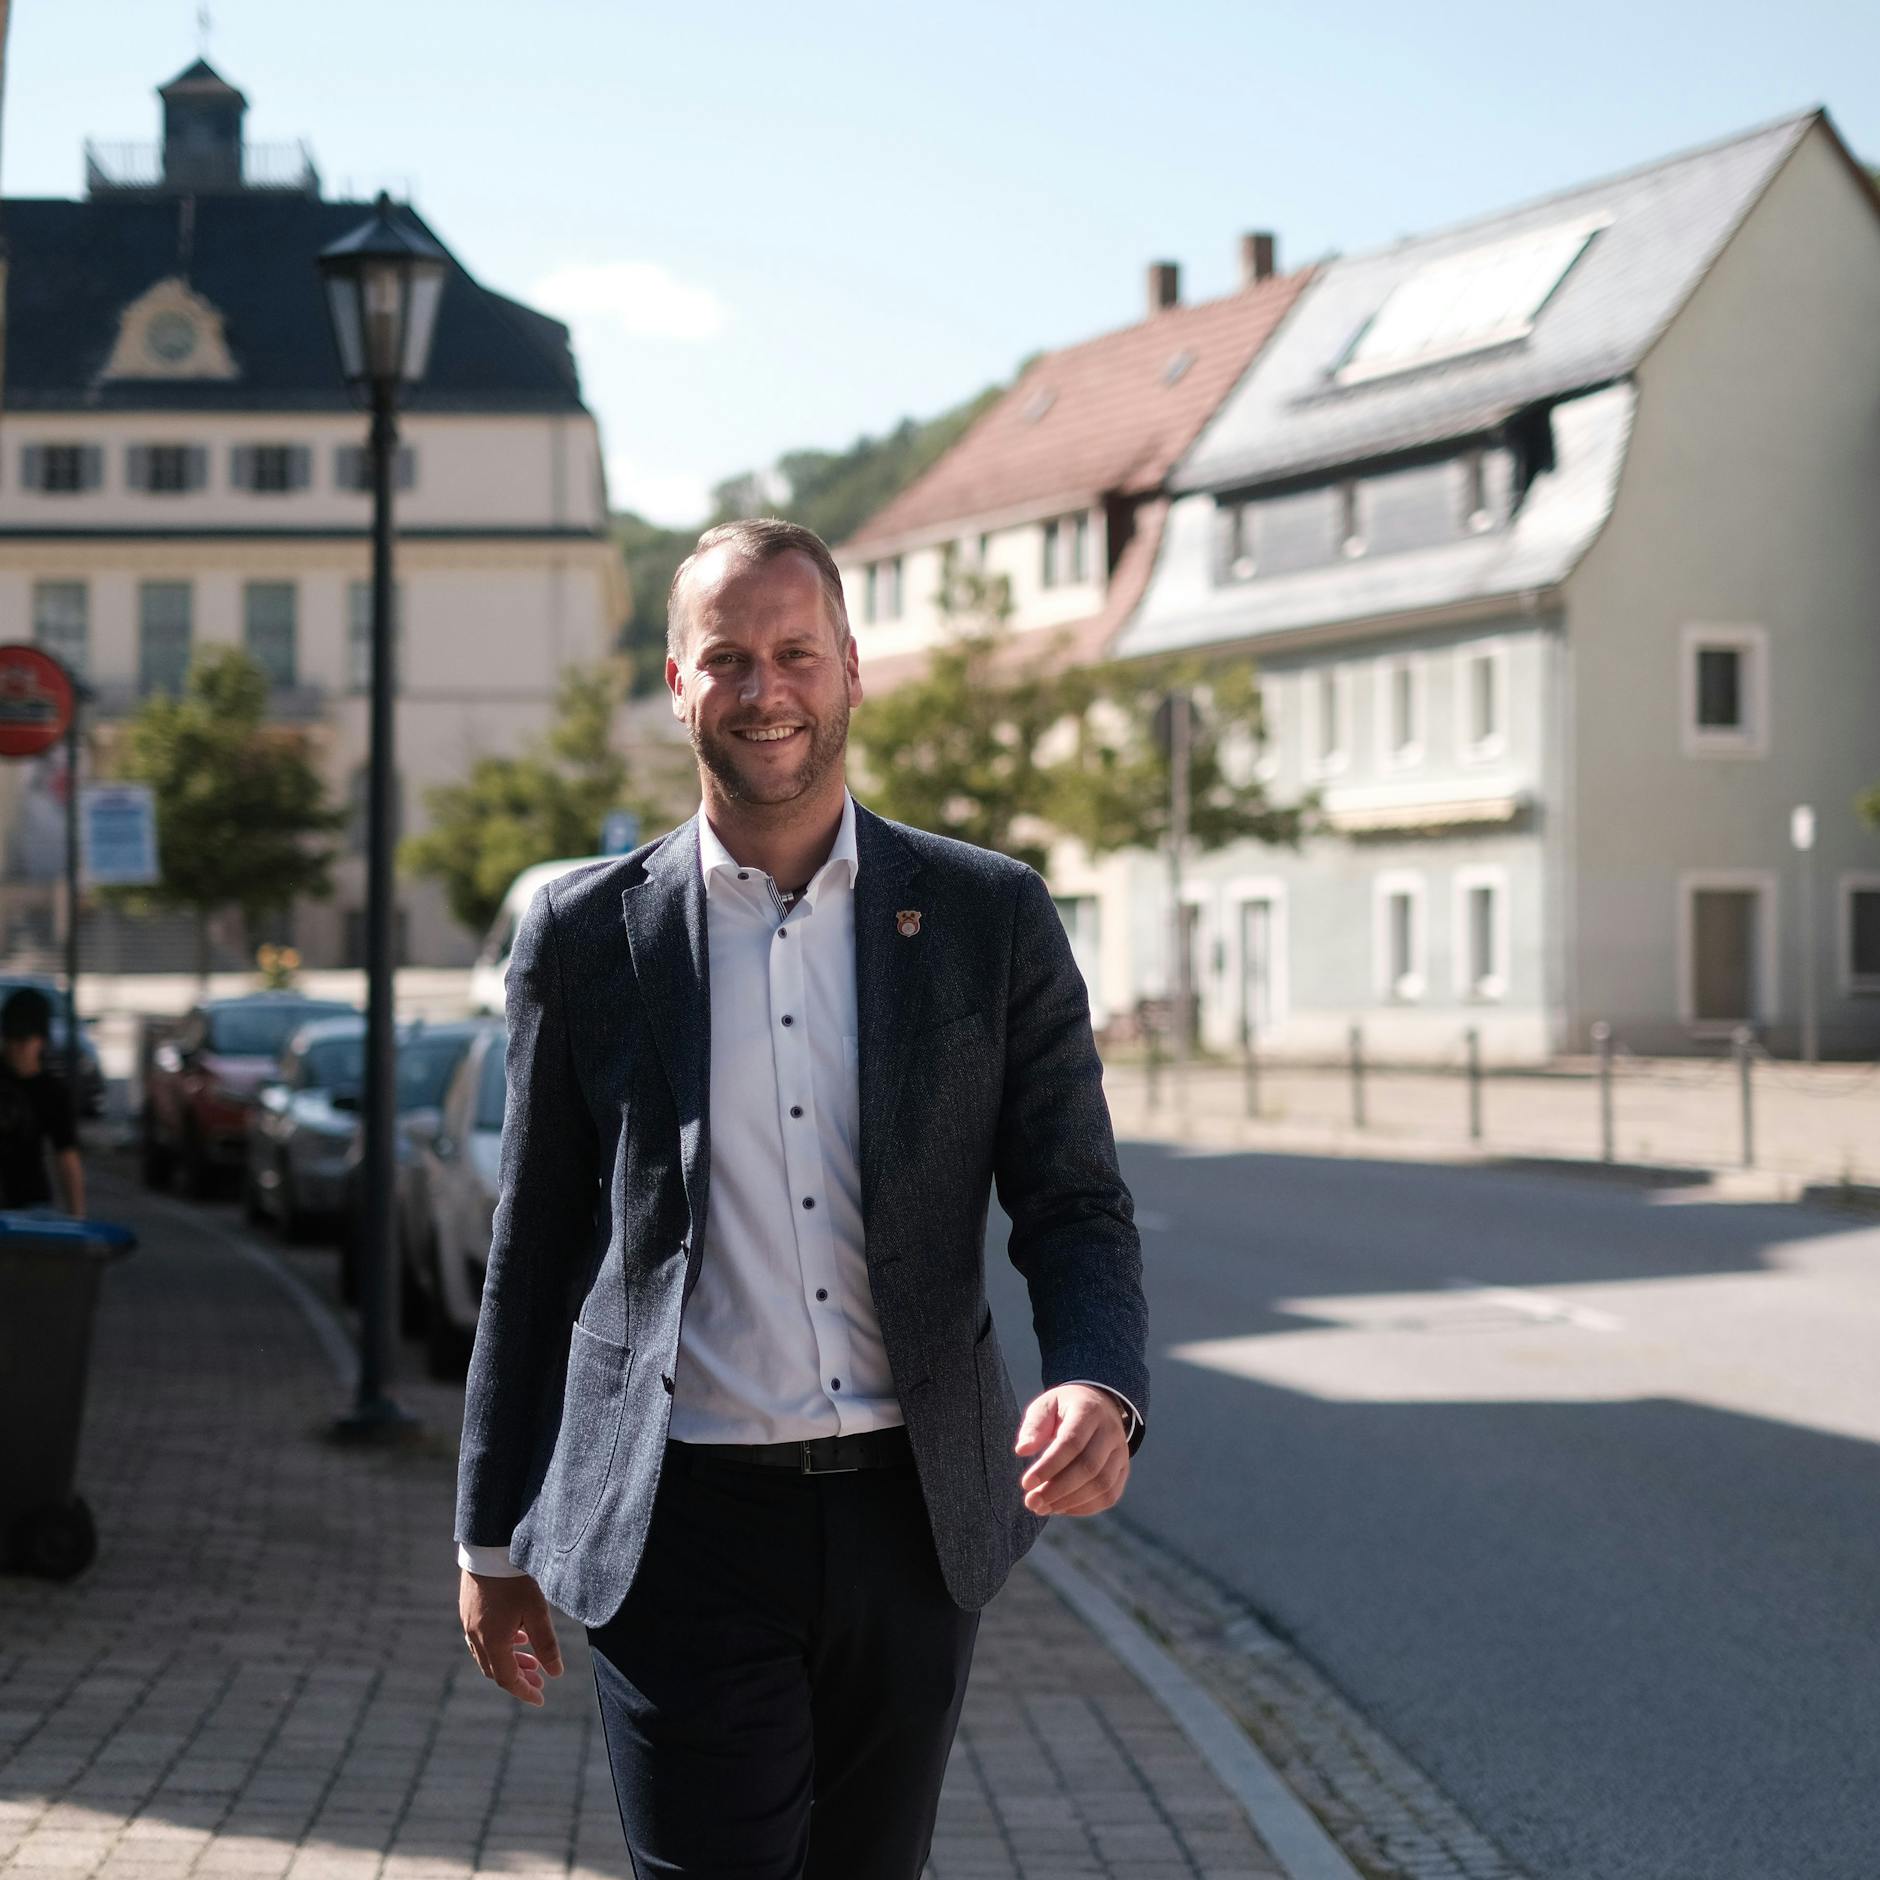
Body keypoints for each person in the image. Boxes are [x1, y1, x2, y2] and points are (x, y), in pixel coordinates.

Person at [455, 518, 1148, 1877]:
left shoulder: (986, 916)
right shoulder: (591, 936)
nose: (765, 689)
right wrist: (489, 1534)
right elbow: (535, 1248)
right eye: (729, 660)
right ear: (676, 682)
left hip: (914, 1517)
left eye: (794, 654)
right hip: (680, 1523)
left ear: (850, 670)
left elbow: (1073, 1201)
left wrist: (1100, 1382)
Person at [0, 986, 84, 1215]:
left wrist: (77, 1217)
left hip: (30, 1203)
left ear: (40, 1040)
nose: (14, 1048)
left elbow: (67, 1156)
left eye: (23, 1040)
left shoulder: (51, 1092)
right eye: (10, 1038)